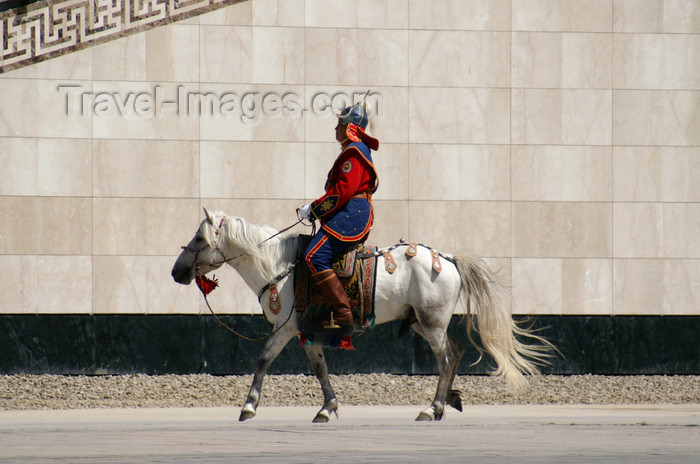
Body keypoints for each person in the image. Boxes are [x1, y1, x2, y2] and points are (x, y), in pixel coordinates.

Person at [299, 103, 379, 330]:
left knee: (313, 256)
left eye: (340, 124)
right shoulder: (354, 150)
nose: (336, 128)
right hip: (349, 212)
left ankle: (343, 312)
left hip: (350, 214)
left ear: (350, 127)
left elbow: (341, 193)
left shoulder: (353, 153)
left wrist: (313, 210)